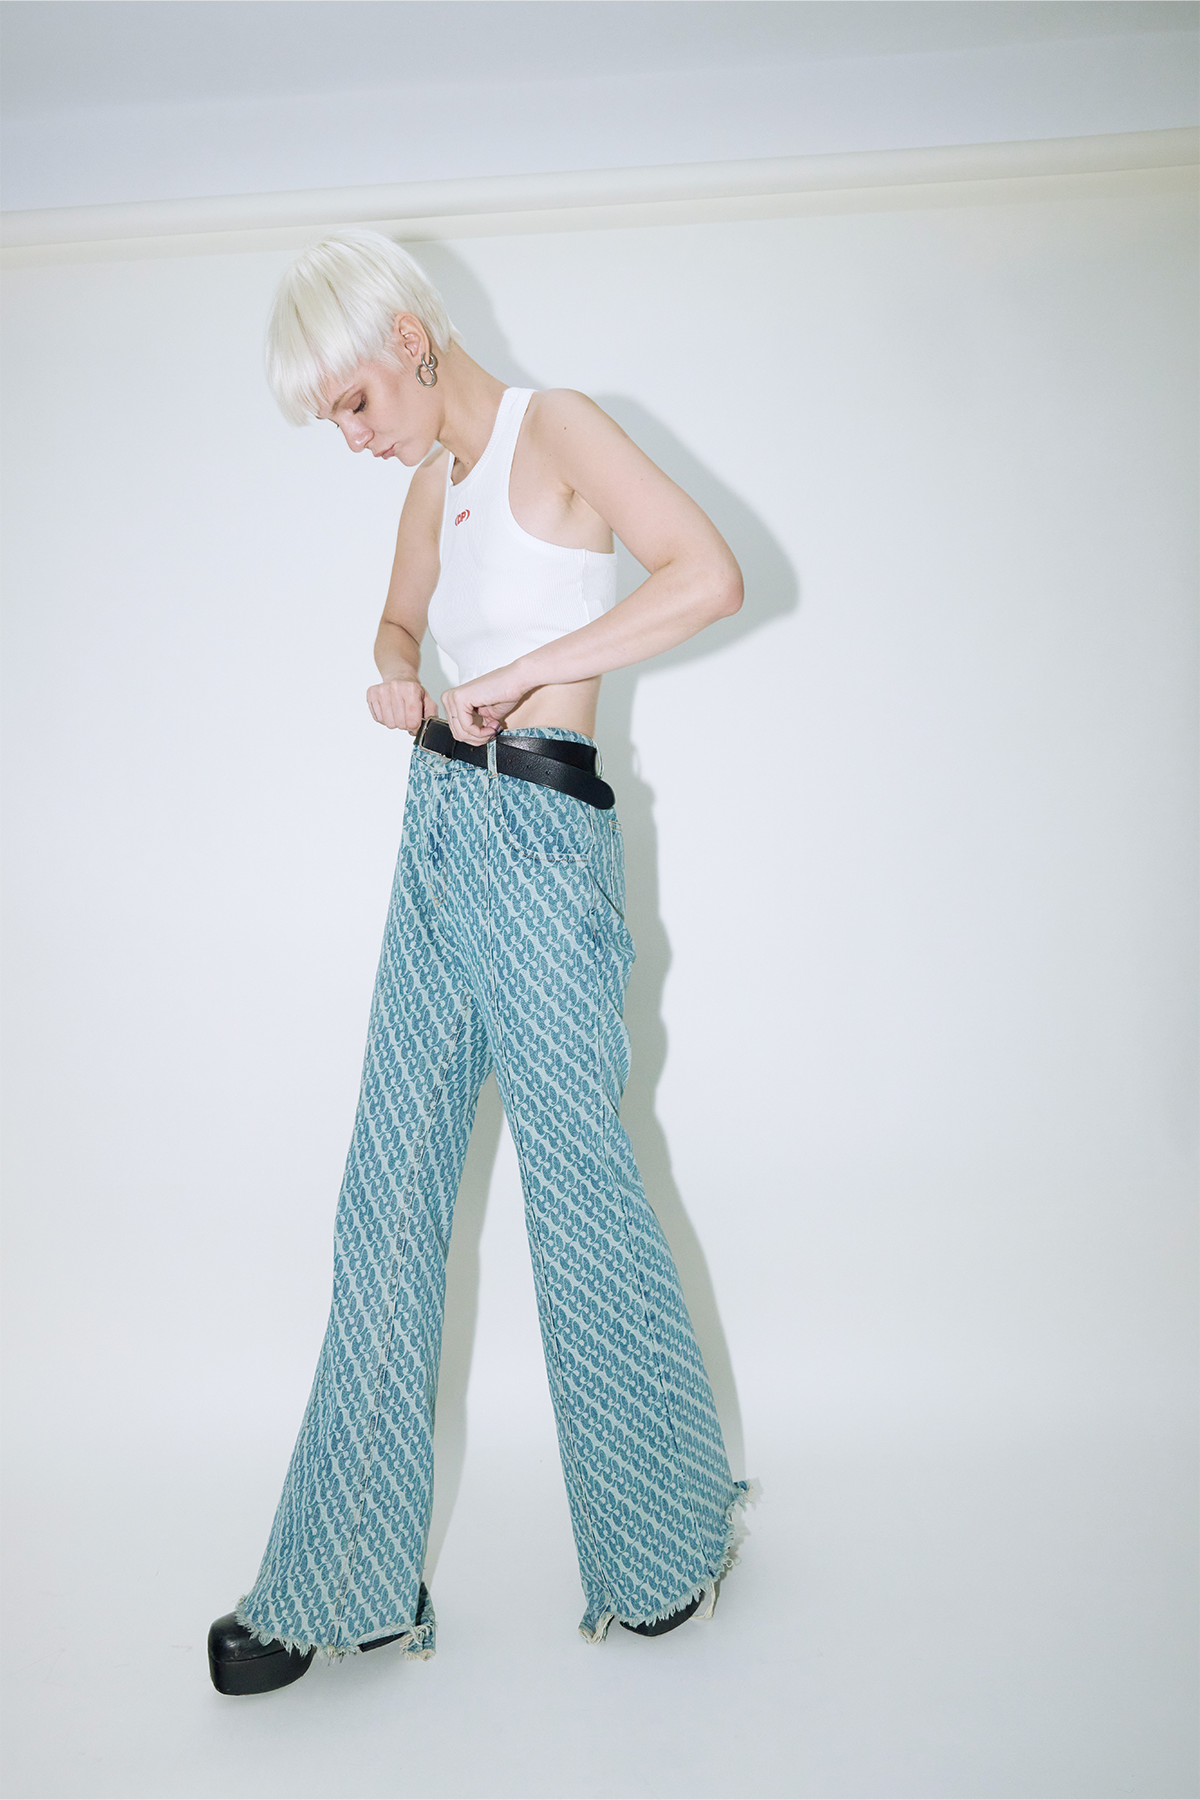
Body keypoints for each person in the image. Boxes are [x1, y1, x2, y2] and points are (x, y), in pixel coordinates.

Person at [208, 229, 756, 1697]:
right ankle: (341, 1583)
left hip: (544, 828)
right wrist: (399, 664)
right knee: (386, 1189)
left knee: (579, 1192)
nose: (349, 433)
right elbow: (400, 613)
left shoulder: (555, 426)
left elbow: (707, 574)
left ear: (408, 336)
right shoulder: (430, 486)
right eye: (328, 416)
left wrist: (516, 670)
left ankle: (667, 1534)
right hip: (441, 834)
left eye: (349, 400)